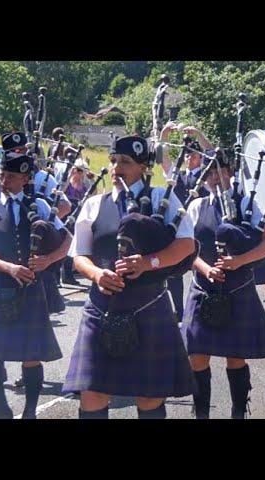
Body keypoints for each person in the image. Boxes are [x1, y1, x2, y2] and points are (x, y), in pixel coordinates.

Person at [62, 135, 196, 419]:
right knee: (92, 394)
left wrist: (149, 263)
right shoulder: (94, 204)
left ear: (144, 167)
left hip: (149, 304)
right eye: (113, 161)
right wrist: (97, 274)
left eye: (125, 162)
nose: (115, 168)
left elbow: (186, 245)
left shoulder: (163, 198)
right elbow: (79, 256)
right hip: (102, 306)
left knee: (148, 397)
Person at [181, 150, 265, 419]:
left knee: (235, 356)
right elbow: (187, 249)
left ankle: (238, 411)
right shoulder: (196, 206)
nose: (214, 177)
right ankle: (201, 413)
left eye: (219, 171)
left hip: (237, 289)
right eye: (209, 171)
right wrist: (205, 268)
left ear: (230, 172)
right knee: (197, 357)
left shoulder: (248, 204)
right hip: (202, 289)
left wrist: (239, 261)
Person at [0, 152, 72, 419]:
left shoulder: (38, 205)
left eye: (11, 176)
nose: (4, 180)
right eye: (2, 174)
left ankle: (30, 410)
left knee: (31, 354)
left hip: (31, 290)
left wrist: (48, 259)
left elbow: (67, 239)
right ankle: (1, 407)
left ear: (26, 178)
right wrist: (8, 267)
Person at [160, 122, 214, 324]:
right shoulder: (178, 175)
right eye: (187, 154)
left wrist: (199, 133)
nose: (189, 157)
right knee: (174, 270)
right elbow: (162, 159)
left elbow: (211, 154)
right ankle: (180, 311)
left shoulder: (205, 174)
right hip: (178, 227)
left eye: (193, 154)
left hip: (199, 227)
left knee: (199, 269)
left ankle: (202, 307)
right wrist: (164, 134)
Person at [61, 158, 90, 285]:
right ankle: (58, 275)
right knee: (61, 243)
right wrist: (70, 175)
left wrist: (91, 178)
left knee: (72, 245)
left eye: (81, 170)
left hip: (78, 216)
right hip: (66, 216)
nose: (79, 173)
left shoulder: (84, 185)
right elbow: (60, 191)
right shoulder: (69, 183)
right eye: (78, 170)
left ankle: (67, 274)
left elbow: (92, 194)